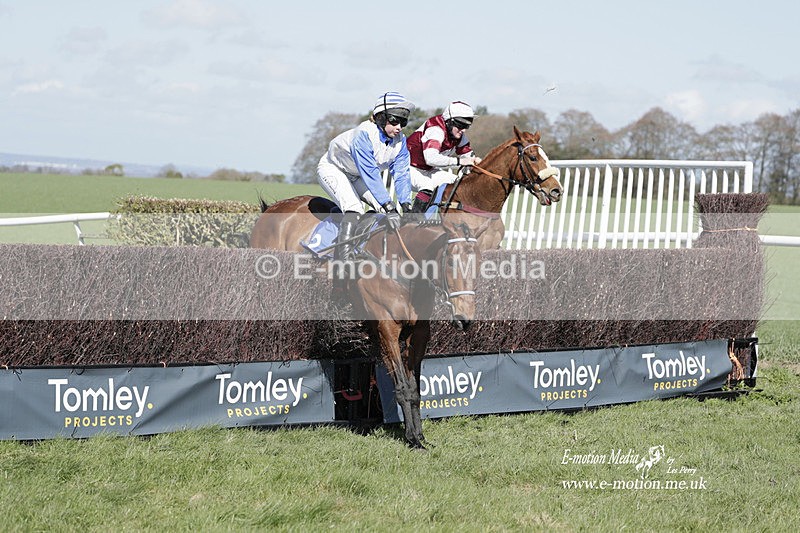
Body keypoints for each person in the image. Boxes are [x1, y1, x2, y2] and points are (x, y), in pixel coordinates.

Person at [317, 91, 415, 260]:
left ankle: (369, 252)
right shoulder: (363, 134)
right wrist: (389, 205)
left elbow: (402, 173)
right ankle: (343, 260)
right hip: (334, 169)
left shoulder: (400, 141)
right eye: (395, 120)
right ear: (381, 118)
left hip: (357, 176)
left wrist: (406, 205)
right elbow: (370, 173)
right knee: (354, 207)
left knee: (381, 210)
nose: (399, 126)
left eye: (403, 121)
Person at [406, 101, 482, 195]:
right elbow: (431, 159)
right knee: (427, 186)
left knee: (458, 184)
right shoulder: (435, 130)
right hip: (407, 168)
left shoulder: (459, 135)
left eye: (467, 126)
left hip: (428, 170)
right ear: (449, 121)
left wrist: (477, 161)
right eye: (461, 125)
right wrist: (460, 162)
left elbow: (469, 157)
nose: (464, 130)